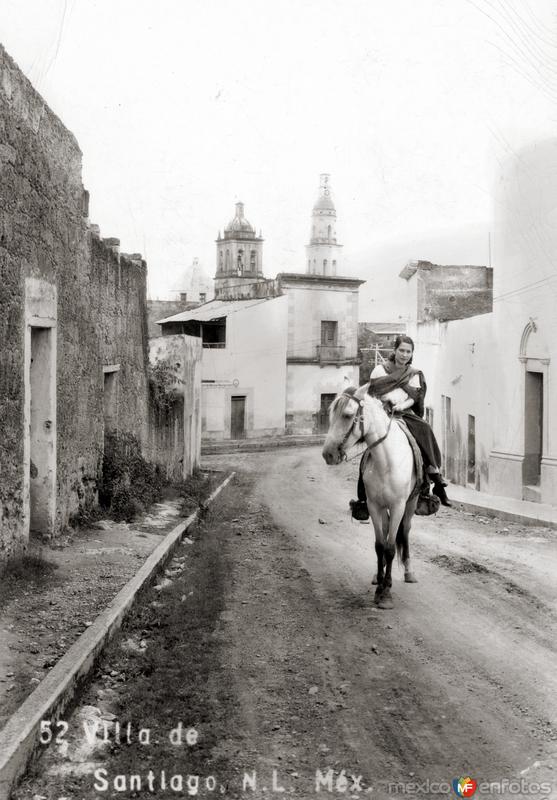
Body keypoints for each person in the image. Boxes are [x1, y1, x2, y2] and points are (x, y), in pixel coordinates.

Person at [350, 335, 451, 520]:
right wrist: (383, 408)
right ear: (394, 351)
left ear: (412, 354)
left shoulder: (413, 374)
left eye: (408, 351)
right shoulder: (379, 371)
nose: (404, 354)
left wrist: (401, 407)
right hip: (382, 414)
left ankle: (432, 478)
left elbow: (414, 397)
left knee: (424, 430)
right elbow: (372, 394)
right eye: (401, 350)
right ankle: (363, 499)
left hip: (404, 413)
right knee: (369, 452)